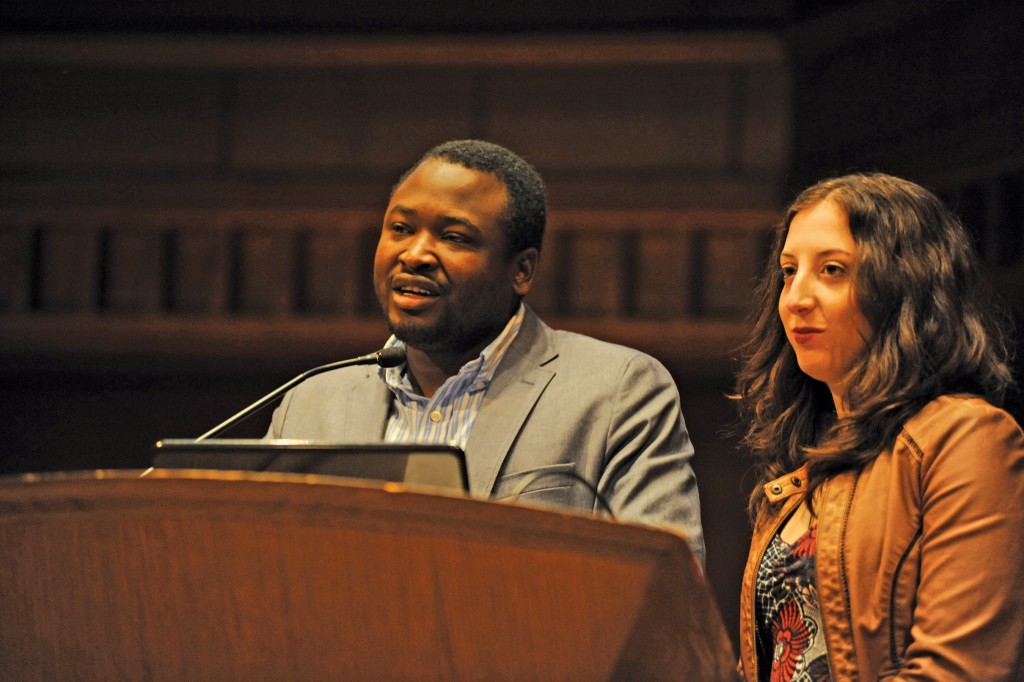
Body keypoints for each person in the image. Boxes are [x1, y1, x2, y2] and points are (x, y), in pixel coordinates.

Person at [266, 139, 705, 566]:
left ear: (521, 270)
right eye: (400, 229)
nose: (415, 254)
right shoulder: (309, 403)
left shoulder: (617, 392)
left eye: (454, 237)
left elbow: (664, 589)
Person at [733, 172, 1024, 680]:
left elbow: (957, 671)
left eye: (832, 270)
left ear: (903, 286)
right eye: (788, 271)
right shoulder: (809, 456)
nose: (796, 297)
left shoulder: (968, 437)